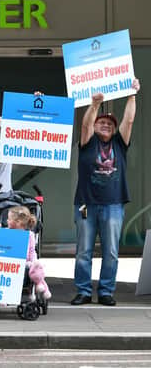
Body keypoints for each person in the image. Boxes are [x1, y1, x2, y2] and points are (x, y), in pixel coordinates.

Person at [71, 79, 140, 307]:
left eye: (110, 124)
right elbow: (85, 125)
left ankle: (106, 291)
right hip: (85, 204)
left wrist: (131, 95)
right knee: (83, 251)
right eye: (102, 122)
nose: (106, 125)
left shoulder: (120, 144)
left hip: (113, 204)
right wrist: (94, 105)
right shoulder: (87, 143)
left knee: (110, 251)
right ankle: (83, 291)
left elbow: (129, 120)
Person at [6, 205, 51, 300]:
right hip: (8, 263)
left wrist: (33, 262)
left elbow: (31, 250)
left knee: (35, 267)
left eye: (9, 219)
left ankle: (41, 286)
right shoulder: (5, 232)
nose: (7, 221)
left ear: (17, 222)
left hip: (24, 265)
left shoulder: (29, 235)